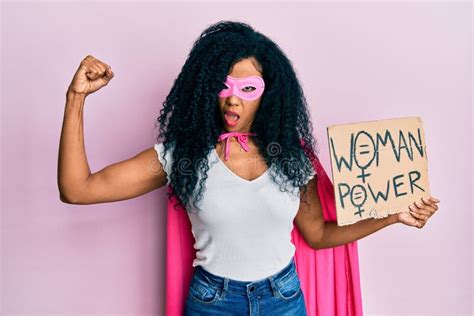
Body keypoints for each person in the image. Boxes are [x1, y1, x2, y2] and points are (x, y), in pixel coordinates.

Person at [58, 21, 440, 315]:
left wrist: (392, 216)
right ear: (206, 89)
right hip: (213, 302)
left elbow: (319, 235)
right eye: (223, 87)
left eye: (248, 89)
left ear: (268, 93)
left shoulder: (292, 157)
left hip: (284, 299)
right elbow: (78, 189)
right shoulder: (182, 156)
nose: (232, 101)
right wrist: (75, 99)